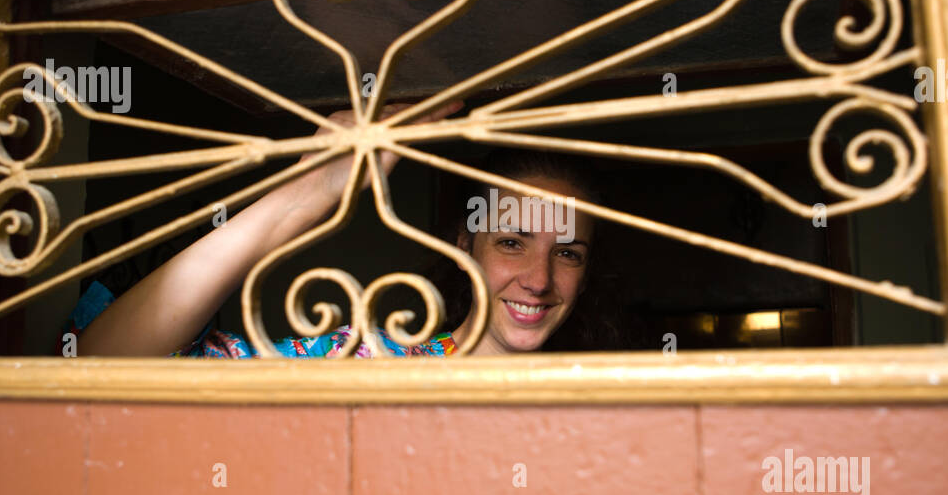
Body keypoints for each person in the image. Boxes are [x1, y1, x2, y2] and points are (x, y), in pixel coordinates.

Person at [69, 102, 606, 358]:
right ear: (467, 247)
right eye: (513, 242)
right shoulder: (367, 363)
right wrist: (308, 195)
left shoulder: (613, 401)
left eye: (569, 254)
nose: (538, 279)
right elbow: (100, 363)